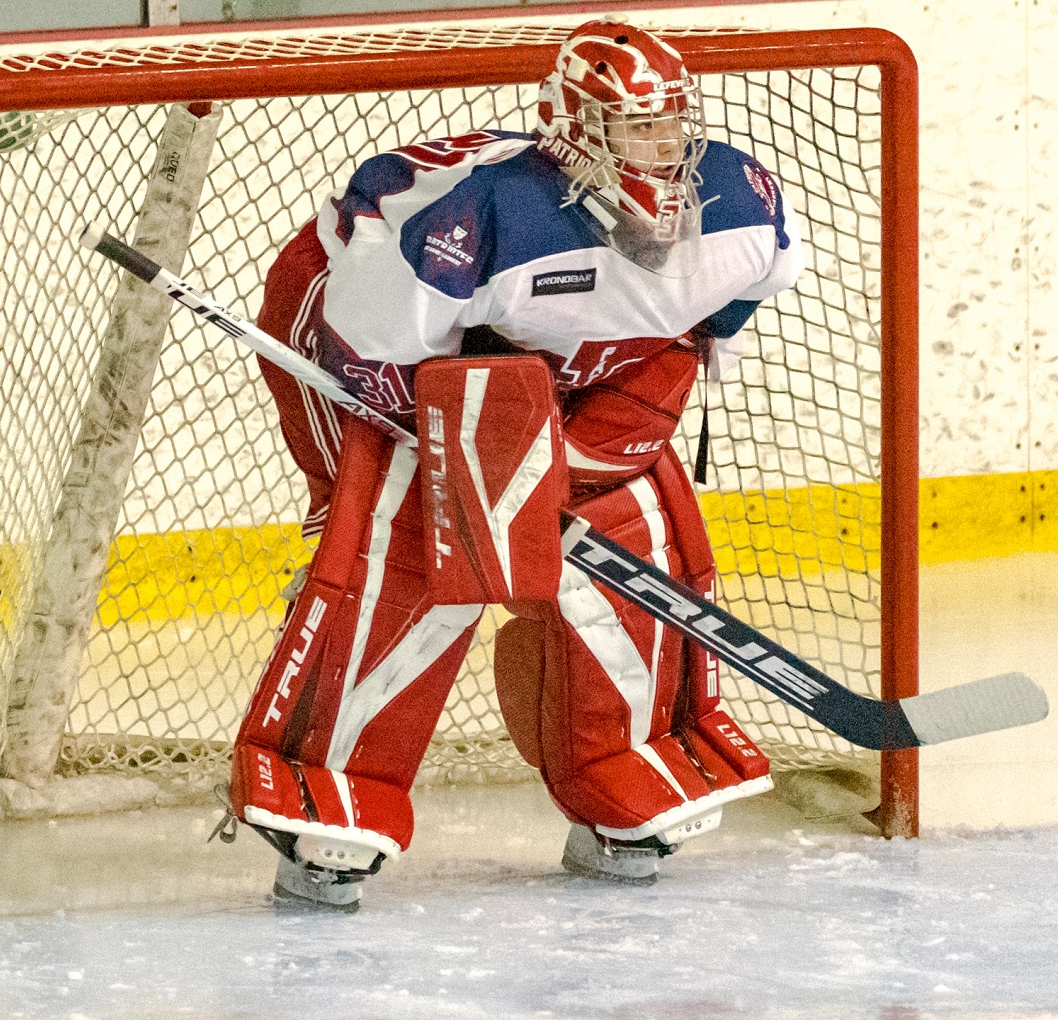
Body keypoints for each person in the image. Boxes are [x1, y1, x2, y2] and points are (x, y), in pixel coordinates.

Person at [228, 19, 804, 909]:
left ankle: (624, 774)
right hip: (369, 315)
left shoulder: (739, 202)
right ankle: (330, 807)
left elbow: (709, 320)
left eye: (672, 123)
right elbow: (370, 350)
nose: (663, 146)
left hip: (564, 358)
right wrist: (467, 462)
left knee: (631, 527)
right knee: (408, 538)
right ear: (575, 127)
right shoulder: (489, 217)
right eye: (633, 126)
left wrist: (608, 432)